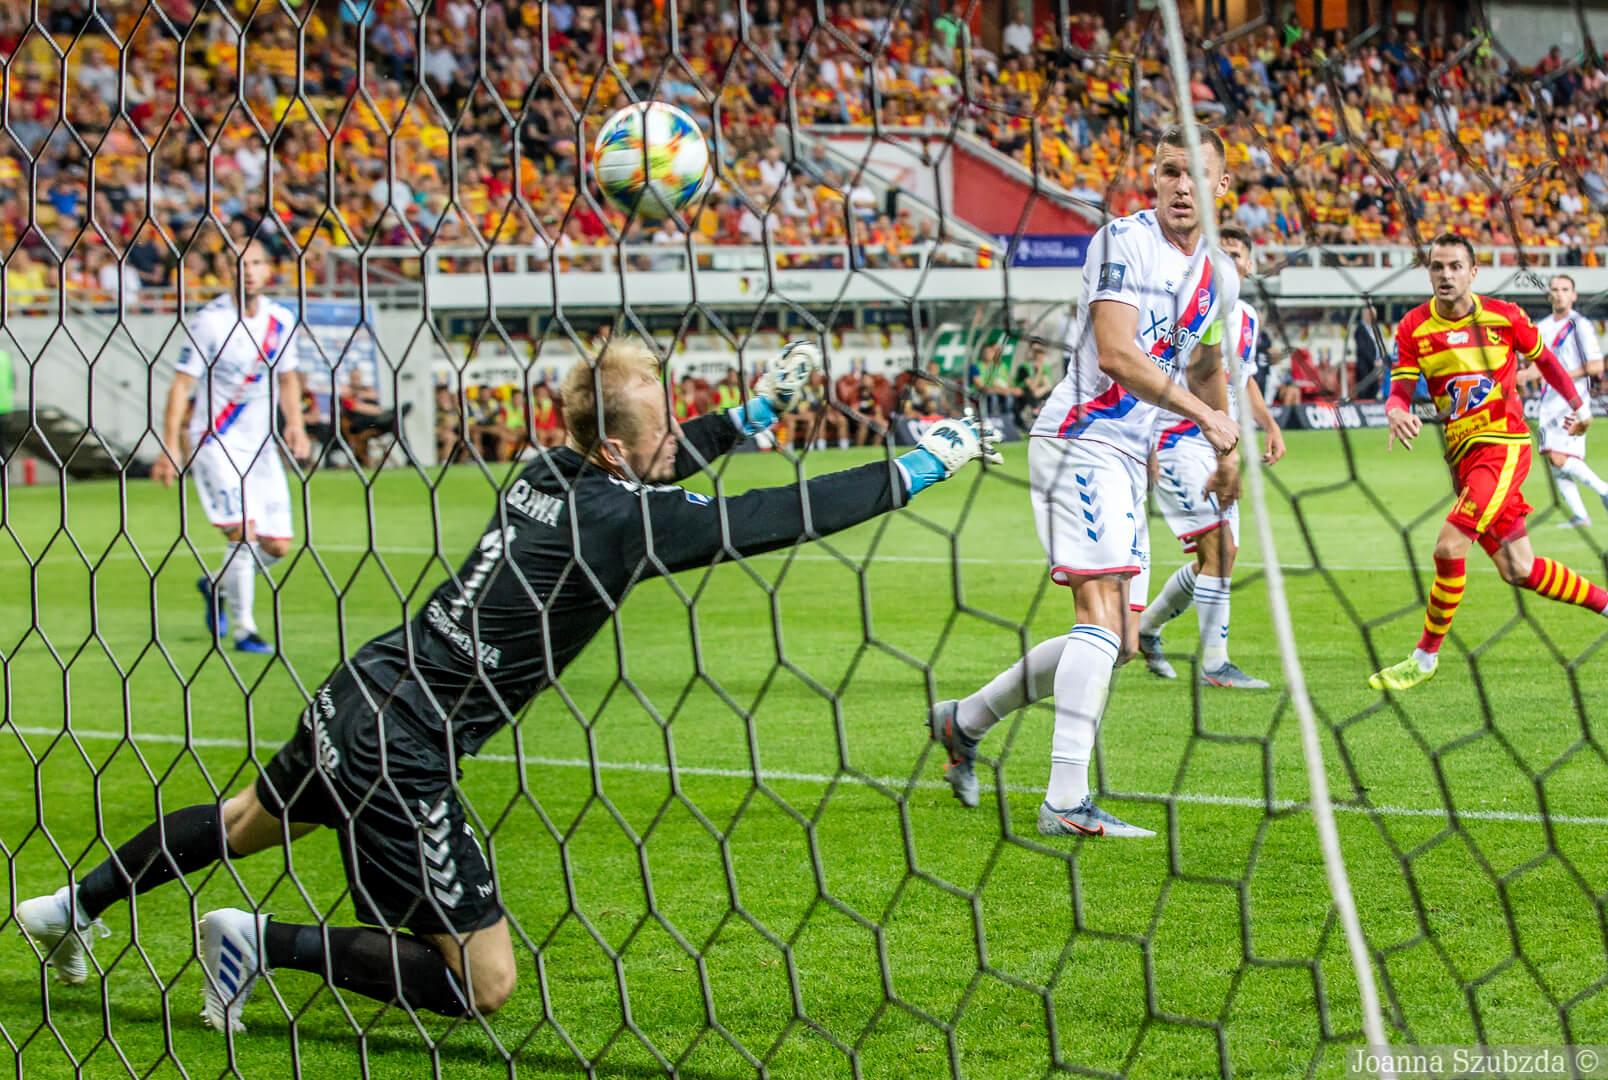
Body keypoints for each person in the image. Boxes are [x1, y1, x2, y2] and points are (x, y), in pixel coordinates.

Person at [14, 339, 1000, 1029]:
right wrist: (921, 464)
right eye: (662, 425)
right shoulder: (623, 521)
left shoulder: (543, 469)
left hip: (363, 688)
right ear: (614, 449)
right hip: (407, 750)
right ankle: (256, 943)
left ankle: (69, 905)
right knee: (481, 985)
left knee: (243, 821)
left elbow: (658, 458)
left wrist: (754, 412)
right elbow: (777, 514)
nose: (674, 439)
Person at [926, 125, 1242, 839]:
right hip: (1079, 440)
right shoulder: (1122, 242)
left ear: (1222, 186)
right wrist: (1202, 418)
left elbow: (1203, 365)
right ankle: (1065, 802)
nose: (1182, 186)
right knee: (1098, 620)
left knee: (1121, 640)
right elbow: (1117, 352)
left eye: (1196, 174)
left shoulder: (1221, 275)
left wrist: (1225, 448)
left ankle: (963, 720)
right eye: (1169, 172)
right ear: (1153, 179)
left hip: (1128, 457)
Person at [1368, 233, 1608, 691]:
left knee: (1448, 547)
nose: (1445, 275)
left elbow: (1549, 362)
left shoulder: (1505, 317)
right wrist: (1395, 410)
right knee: (1519, 567)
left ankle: (1423, 658)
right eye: (1437, 266)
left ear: (1473, 272)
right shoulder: (1413, 327)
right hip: (1462, 457)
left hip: (1503, 446)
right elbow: (1400, 388)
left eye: (1455, 266)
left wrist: (1580, 407)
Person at [1137, 223, 1287, 688]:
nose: (1227, 261)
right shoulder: (1185, 307)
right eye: (1220, 252)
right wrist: (1146, 446)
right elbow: (1156, 372)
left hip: (1223, 445)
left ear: (1249, 265)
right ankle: (1216, 665)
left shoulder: (1248, 318)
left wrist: (1269, 424)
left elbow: (1243, 377)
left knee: (1220, 556)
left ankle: (1147, 628)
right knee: (1219, 549)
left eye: (1236, 254)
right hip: (1177, 441)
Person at [150, 242, 310, 656]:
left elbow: (288, 378)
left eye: (255, 263)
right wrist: (170, 446)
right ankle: (244, 629)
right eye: (239, 265)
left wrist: (295, 424)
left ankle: (217, 584)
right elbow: (180, 385)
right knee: (243, 535)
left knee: (277, 546)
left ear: (268, 270)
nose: (248, 271)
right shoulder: (210, 322)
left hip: (261, 447)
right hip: (215, 441)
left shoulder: (280, 319)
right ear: (225, 271)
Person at [1528, 275, 1608, 527]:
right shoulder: (1542, 327)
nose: (1559, 294)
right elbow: (1539, 365)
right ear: (1549, 294)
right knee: (1553, 459)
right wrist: (1523, 376)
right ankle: (1580, 516)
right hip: (1548, 401)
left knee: (1559, 457)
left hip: (1572, 400)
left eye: (1565, 289)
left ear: (1574, 295)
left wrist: (1560, 376)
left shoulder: (1581, 326)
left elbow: (1596, 366)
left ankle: (1605, 490)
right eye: (1555, 289)